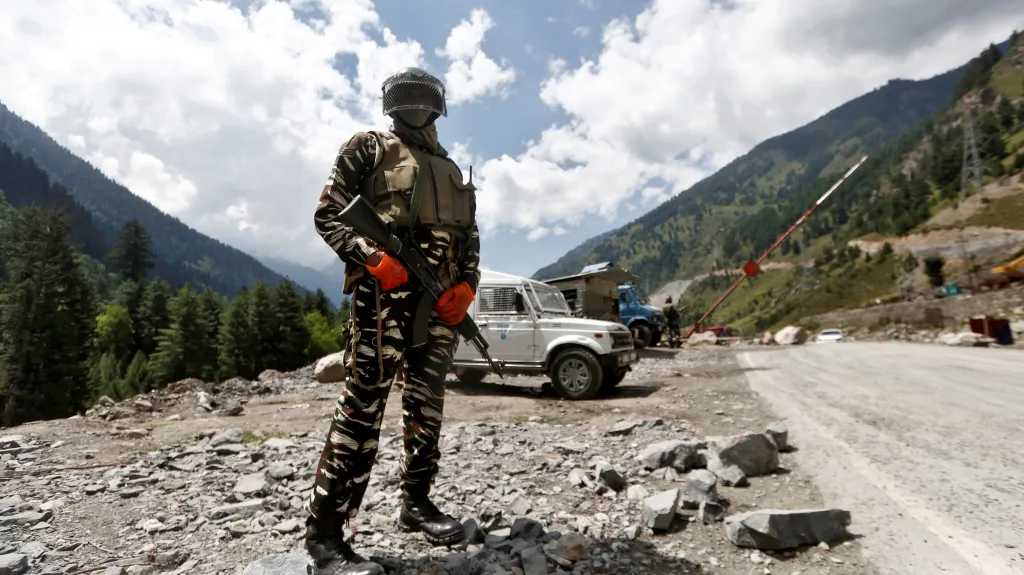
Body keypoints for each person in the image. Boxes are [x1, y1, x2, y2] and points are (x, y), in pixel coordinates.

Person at [304, 67, 481, 575]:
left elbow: (470, 237)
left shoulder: (449, 167)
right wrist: (369, 256)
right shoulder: (367, 146)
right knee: (363, 406)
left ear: (439, 105)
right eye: (406, 97)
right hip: (383, 297)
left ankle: (416, 504)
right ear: (390, 104)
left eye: (424, 97)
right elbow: (328, 213)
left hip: (441, 300)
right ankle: (325, 536)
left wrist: (466, 286)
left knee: (427, 405)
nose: (415, 104)